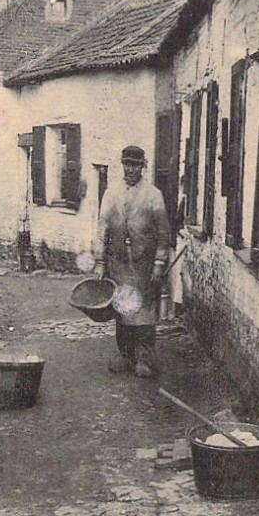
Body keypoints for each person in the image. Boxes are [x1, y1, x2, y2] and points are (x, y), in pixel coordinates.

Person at [94, 145, 170, 378]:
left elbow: (163, 233)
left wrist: (159, 263)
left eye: (135, 165)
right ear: (122, 165)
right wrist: (100, 261)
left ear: (143, 167)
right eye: (127, 164)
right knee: (122, 310)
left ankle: (144, 360)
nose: (130, 169)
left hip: (143, 264)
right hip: (118, 263)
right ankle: (125, 356)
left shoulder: (153, 195)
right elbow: (102, 228)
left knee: (144, 313)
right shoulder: (111, 193)